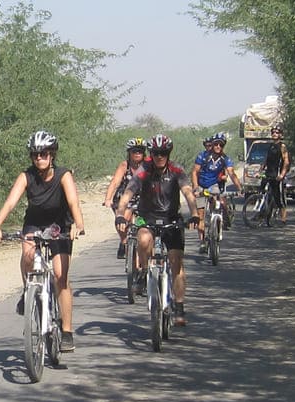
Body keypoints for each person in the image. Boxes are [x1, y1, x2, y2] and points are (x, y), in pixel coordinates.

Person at [0, 130, 87, 352]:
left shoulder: (64, 175)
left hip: (59, 227)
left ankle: (67, 330)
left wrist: (78, 225)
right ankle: (29, 291)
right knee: (28, 255)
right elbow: (11, 202)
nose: (39, 158)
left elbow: (73, 202)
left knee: (61, 276)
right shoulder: (26, 176)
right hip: (34, 223)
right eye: (35, 155)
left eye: (43, 154)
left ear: (52, 155)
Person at [113, 133, 200, 326]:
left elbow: (187, 191)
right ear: (151, 154)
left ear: (168, 153)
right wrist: (120, 213)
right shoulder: (144, 169)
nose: (159, 156)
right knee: (143, 241)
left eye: (163, 152)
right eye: (155, 153)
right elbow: (129, 191)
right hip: (148, 218)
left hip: (171, 219)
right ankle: (144, 272)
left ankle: (179, 305)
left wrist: (194, 213)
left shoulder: (176, 169)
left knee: (176, 260)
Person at [191, 131, 242, 251]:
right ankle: (202, 242)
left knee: (218, 203)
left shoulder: (225, 159)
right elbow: (194, 172)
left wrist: (240, 188)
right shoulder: (202, 156)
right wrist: (195, 187)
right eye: (216, 144)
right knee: (201, 216)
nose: (218, 147)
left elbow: (232, 173)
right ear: (212, 145)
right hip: (201, 185)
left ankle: (217, 223)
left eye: (221, 145)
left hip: (213, 186)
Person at [103, 137, 148, 259]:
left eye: (140, 151)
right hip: (125, 197)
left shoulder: (149, 165)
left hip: (143, 196)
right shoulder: (125, 165)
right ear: (129, 152)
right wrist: (108, 198)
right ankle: (123, 241)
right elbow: (115, 182)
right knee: (123, 218)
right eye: (134, 151)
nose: (137, 153)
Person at [262, 125, 291, 224]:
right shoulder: (271, 146)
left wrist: (282, 175)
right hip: (269, 173)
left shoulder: (282, 146)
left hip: (277, 175)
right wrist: (260, 171)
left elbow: (286, 162)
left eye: (277, 132)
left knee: (279, 198)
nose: (274, 134)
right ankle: (264, 215)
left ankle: (283, 219)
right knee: (264, 193)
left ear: (280, 135)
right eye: (273, 132)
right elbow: (266, 160)